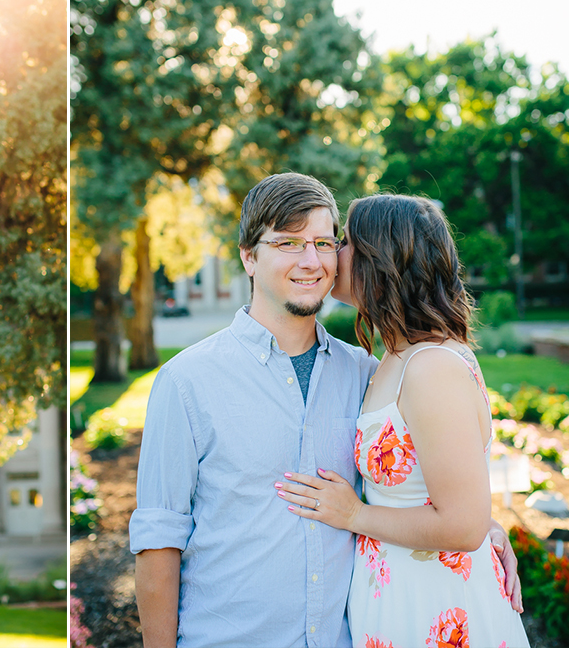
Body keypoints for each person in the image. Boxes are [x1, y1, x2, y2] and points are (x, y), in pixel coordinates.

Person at [129, 173, 521, 648]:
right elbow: (158, 537)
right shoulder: (187, 382)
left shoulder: (365, 373)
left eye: (326, 242)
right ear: (249, 257)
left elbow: (430, 489)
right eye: (289, 243)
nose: (312, 260)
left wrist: (483, 529)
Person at [276, 194, 528, 647]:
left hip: (439, 610)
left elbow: (464, 525)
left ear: (383, 261)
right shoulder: (395, 357)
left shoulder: (432, 367)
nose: (335, 250)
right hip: (399, 599)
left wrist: (353, 514)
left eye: (347, 241)